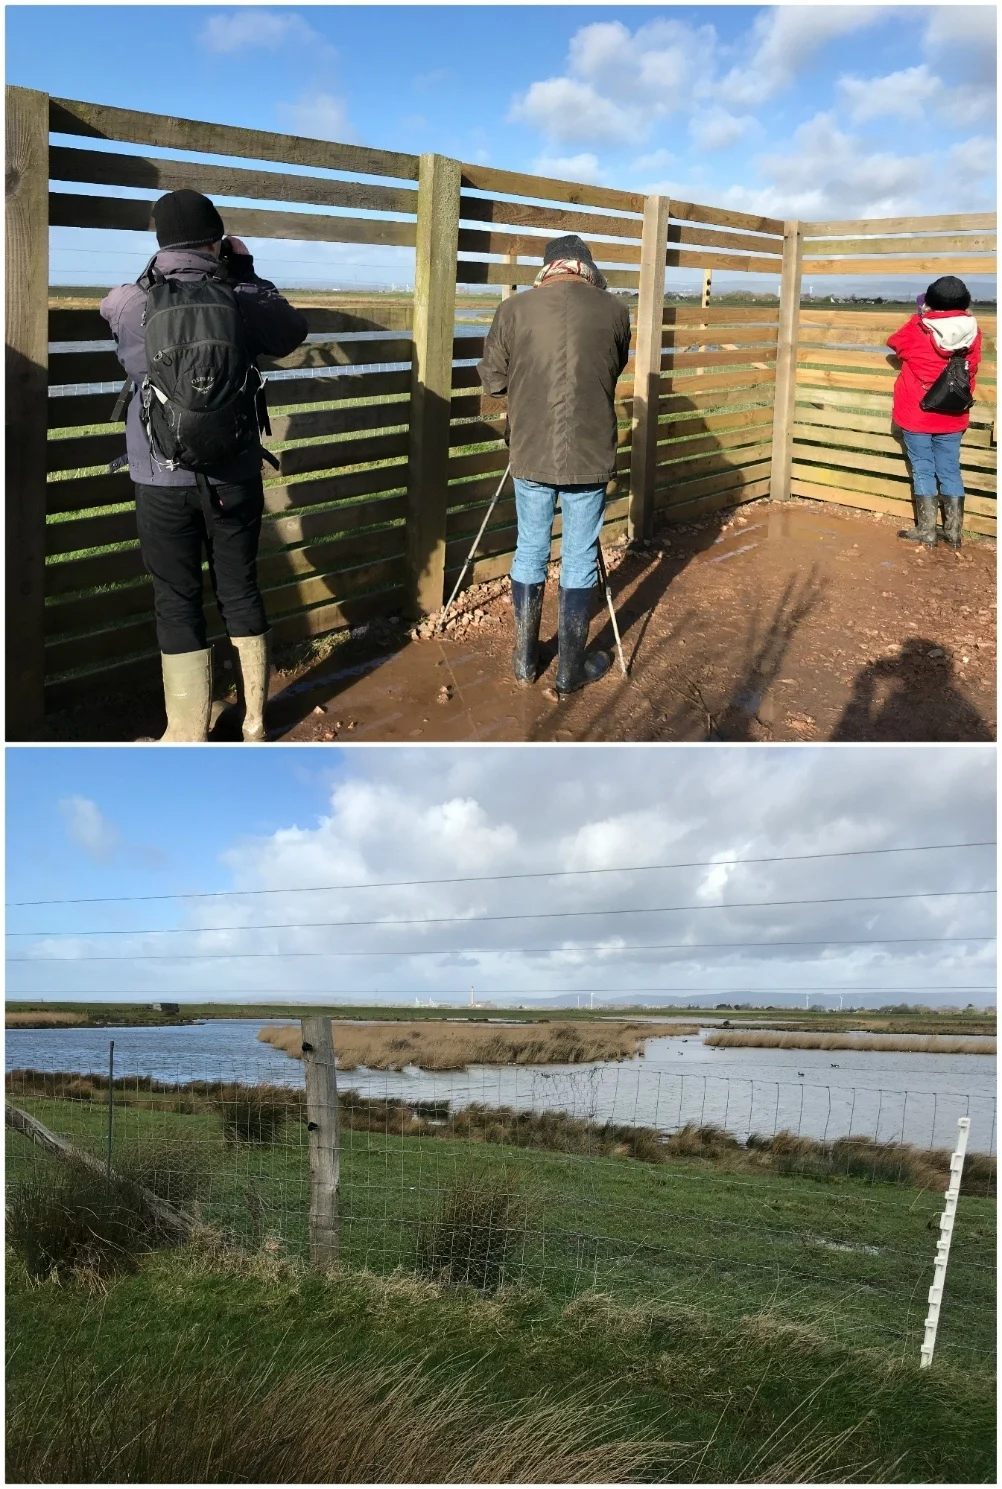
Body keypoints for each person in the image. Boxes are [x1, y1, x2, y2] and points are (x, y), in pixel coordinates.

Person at [100, 189, 308, 741]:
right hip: (234, 474)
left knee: (176, 598)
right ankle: (255, 721)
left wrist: (153, 276)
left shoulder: (131, 302)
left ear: (160, 242)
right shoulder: (240, 297)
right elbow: (290, 331)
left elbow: (110, 312)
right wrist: (245, 271)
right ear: (216, 240)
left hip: (159, 477)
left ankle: (186, 734)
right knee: (240, 588)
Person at [477, 234, 632, 694]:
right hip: (590, 449)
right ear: (587, 269)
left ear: (547, 269)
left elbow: (493, 381)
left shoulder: (513, 309)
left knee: (530, 547)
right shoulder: (614, 309)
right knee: (580, 554)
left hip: (531, 447)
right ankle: (570, 671)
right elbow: (613, 368)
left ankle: (525, 662)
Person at [887, 275, 982, 551]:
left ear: (929, 300)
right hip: (953, 412)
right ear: (965, 301)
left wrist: (920, 316)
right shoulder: (973, 330)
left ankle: (926, 531)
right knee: (950, 468)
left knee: (923, 468)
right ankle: (953, 533)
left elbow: (894, 343)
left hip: (917, 412)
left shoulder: (918, 327)